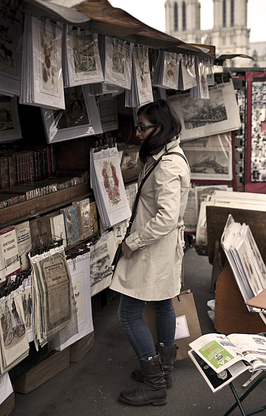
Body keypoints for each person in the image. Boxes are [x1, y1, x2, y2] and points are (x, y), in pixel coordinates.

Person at [110, 99, 190, 406]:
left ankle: (155, 381)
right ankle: (164, 370)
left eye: (143, 127)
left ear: (160, 126)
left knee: (128, 313)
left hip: (152, 248)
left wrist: (133, 242)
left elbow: (166, 217)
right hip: (161, 248)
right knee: (161, 304)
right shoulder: (166, 156)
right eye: (138, 127)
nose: (138, 133)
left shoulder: (168, 164)